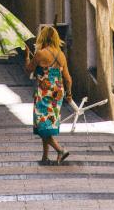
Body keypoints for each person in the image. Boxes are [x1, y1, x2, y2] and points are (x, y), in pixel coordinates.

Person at [24, 25, 73, 164]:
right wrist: (69, 94)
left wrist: (27, 56)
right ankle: (45, 157)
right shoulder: (61, 55)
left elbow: (28, 69)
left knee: (42, 125)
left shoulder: (40, 54)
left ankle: (60, 150)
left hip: (44, 92)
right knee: (47, 124)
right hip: (57, 93)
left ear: (43, 37)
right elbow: (68, 78)